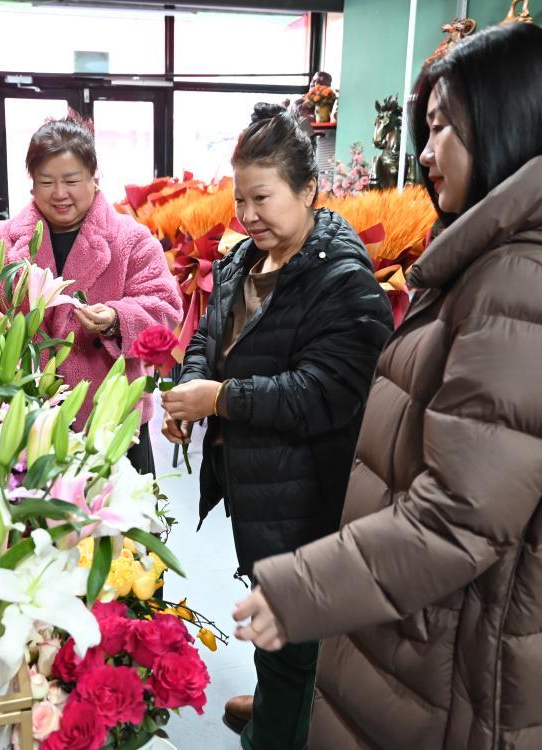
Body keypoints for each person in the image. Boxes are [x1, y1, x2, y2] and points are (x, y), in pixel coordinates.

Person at [234, 23, 542, 748]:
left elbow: (460, 514)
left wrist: (304, 589)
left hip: (506, 662)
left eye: (441, 128)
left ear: (504, 124)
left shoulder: (526, 283)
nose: (425, 154)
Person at [161, 103, 393, 749]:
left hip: (307, 491)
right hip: (256, 481)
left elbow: (325, 394)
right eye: (240, 199)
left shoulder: (343, 282)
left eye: (262, 198)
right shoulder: (242, 260)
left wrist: (220, 400)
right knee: (271, 612)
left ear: (308, 190)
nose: (248, 215)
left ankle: (279, 728)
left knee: (294, 632)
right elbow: (208, 338)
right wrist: (191, 393)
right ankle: (273, 703)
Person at [0, 116, 182, 472]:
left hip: (110, 420)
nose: (59, 193)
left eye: (71, 180)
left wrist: (116, 320)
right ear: (31, 183)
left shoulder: (132, 239)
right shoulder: (0, 241)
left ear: (94, 176)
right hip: (23, 416)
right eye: (46, 182)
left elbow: (165, 308)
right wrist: (3, 329)